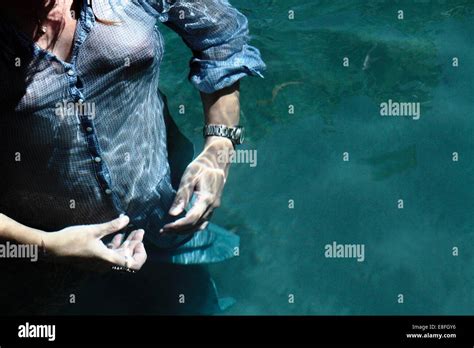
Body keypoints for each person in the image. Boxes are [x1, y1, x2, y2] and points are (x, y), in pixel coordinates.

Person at [0, 0, 265, 314]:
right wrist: (45, 246)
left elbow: (222, 38)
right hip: (39, 255)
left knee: (193, 303)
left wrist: (219, 148)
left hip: (164, 214)